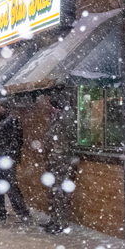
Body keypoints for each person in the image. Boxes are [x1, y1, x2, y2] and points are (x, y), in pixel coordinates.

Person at [42, 89, 80, 234]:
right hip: (56, 160)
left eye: (52, 106)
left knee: (59, 193)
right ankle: (54, 220)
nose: (50, 109)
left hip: (62, 160)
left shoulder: (66, 118)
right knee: (54, 192)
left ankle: (60, 223)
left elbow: (64, 138)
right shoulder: (59, 117)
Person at [0, 99, 31, 222]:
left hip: (6, 160)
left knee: (11, 187)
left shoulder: (12, 120)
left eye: (0, 107)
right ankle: (0, 213)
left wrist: (8, 155)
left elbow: (16, 141)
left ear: (6, 107)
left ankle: (23, 213)